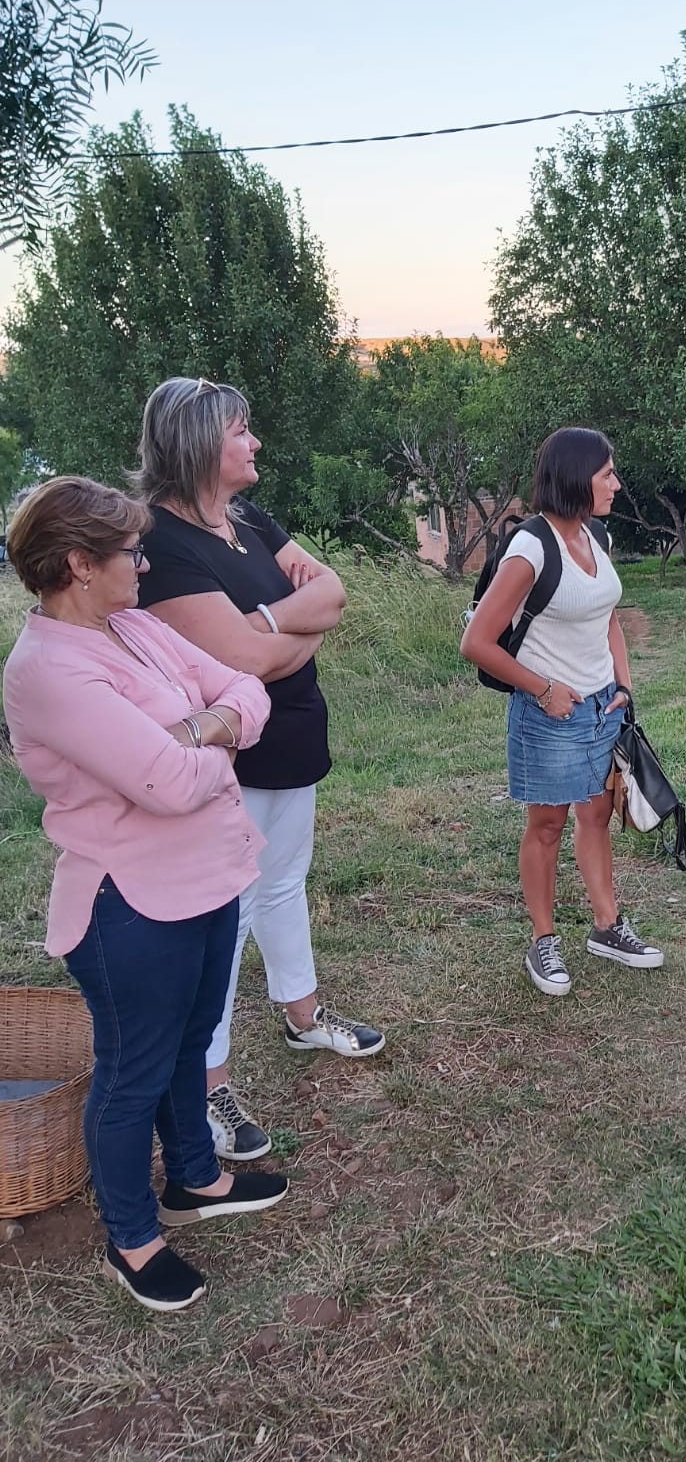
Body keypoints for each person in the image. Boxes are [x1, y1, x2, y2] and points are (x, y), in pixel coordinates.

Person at [2, 477, 288, 1312]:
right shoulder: (48, 669)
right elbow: (166, 784)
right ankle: (131, 1239)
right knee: (134, 1071)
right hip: (129, 902)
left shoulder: (133, 627)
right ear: (79, 564)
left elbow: (248, 687)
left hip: (204, 875)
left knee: (191, 1040)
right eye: (131, 551)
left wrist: (200, 730)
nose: (145, 562)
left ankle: (194, 1178)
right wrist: (211, 743)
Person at [134, 377, 383, 1163]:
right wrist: (283, 636)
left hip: (295, 731)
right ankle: (207, 1084)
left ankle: (303, 1015)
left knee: (283, 883)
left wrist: (271, 625)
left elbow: (333, 594)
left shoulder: (248, 519)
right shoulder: (160, 543)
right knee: (227, 915)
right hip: (228, 753)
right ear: (199, 445)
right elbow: (237, 661)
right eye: (241, 431)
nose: (256, 443)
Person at [459, 427, 663, 996]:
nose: (617, 484)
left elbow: (607, 615)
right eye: (607, 474)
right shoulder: (530, 549)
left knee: (596, 816)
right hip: (549, 716)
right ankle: (543, 940)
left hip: (602, 707)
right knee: (547, 826)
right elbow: (477, 643)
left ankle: (607, 927)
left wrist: (623, 684)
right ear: (577, 478)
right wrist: (545, 688)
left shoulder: (596, 534)